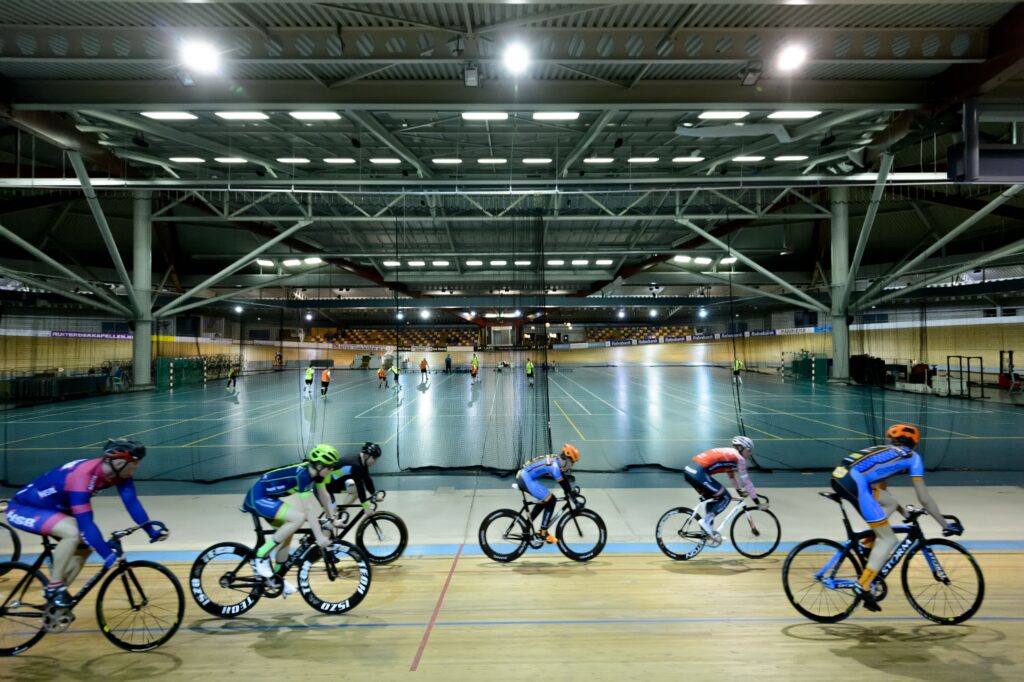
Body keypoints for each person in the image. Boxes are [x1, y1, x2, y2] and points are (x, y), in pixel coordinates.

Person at [5, 439, 168, 607]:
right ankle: (53, 588)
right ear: (120, 462)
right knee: (74, 533)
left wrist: (150, 531)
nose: (137, 466)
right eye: (136, 462)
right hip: (24, 508)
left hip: (54, 508)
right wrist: (107, 554)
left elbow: (132, 503)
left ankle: (55, 603)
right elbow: (85, 524)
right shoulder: (82, 477)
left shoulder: (119, 474)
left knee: (85, 548)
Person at [831, 424, 962, 612]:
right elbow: (924, 498)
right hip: (854, 482)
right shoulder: (912, 457)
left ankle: (867, 546)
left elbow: (883, 492)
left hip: (843, 476)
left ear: (893, 440)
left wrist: (906, 514)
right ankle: (863, 585)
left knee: (890, 504)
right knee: (889, 538)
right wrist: (945, 524)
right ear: (915, 443)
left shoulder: (887, 451)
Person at [242, 445, 339, 593]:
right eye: (330, 467)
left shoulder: (317, 475)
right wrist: (319, 537)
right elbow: (308, 508)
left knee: (288, 530)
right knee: (298, 518)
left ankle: (276, 577)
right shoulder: (303, 476)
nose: (332, 470)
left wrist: (332, 519)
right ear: (319, 466)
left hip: (269, 497)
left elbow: (324, 496)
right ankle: (261, 555)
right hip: (258, 497)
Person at [683, 436, 764, 544]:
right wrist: (757, 502)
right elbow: (747, 482)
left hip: (690, 471)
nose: (750, 454)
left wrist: (738, 490)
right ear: (740, 448)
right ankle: (706, 522)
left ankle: (709, 533)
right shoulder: (739, 459)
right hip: (698, 473)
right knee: (726, 497)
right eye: (749, 450)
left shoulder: (730, 454)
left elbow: (731, 476)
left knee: (713, 498)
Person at [515, 444, 580, 543]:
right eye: (572, 463)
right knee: (551, 499)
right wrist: (573, 499)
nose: (572, 466)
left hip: (524, 476)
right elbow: (563, 483)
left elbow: (565, 480)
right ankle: (543, 533)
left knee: (545, 500)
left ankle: (527, 526)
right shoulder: (555, 466)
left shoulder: (557, 460)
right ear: (566, 459)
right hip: (526, 479)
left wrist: (571, 493)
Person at [326, 442, 382, 521]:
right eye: (374, 458)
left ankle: (341, 511)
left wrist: (374, 494)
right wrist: (366, 507)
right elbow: (360, 486)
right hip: (326, 487)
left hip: (335, 482)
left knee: (355, 491)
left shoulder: (362, 461)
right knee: (332, 520)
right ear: (366, 456)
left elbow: (367, 479)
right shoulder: (356, 465)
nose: (375, 461)